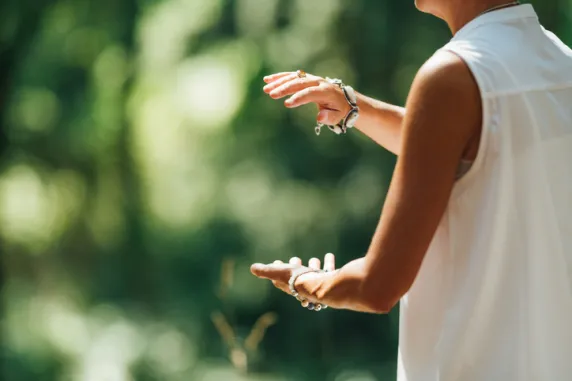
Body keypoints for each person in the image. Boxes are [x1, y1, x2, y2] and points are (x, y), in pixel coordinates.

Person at [250, 1, 572, 380]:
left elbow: (376, 286)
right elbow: (476, 146)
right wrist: (356, 107)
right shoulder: (558, 61)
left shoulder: (452, 73)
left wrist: (304, 281)